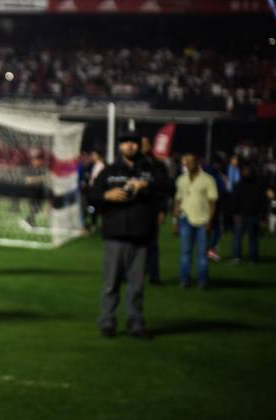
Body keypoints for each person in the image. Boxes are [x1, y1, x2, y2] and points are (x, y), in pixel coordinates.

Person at [88, 131, 166, 340]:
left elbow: (169, 187)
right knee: (111, 284)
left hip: (142, 235)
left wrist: (146, 185)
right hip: (115, 234)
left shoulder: (151, 170)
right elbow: (91, 195)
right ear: (120, 147)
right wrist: (106, 195)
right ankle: (107, 322)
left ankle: (136, 323)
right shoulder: (109, 171)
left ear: (139, 146)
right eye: (125, 143)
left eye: (133, 143)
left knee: (137, 286)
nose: (130, 146)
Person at [175, 153, 219, 289]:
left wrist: (210, 222)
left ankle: (202, 282)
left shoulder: (208, 179)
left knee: (202, 255)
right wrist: (174, 221)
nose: (188, 163)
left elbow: (212, 202)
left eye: (191, 161)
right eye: (186, 161)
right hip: (185, 219)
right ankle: (184, 280)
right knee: (185, 253)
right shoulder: (181, 179)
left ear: (198, 161)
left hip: (203, 222)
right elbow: (178, 201)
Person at [140, 136, 171, 285]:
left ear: (150, 145)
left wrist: (162, 210)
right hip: (135, 210)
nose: (143, 146)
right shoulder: (131, 163)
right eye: (141, 143)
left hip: (152, 209)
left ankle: (154, 275)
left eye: (145, 143)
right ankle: (135, 272)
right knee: (134, 244)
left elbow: (163, 189)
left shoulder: (158, 165)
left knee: (152, 244)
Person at [230, 164, 263, 264]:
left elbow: (260, 201)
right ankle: (237, 257)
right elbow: (235, 200)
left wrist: (260, 214)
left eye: (247, 171)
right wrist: (235, 213)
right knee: (238, 238)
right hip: (241, 216)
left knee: (251, 238)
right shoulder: (240, 185)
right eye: (244, 171)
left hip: (252, 215)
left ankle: (252, 258)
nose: (245, 173)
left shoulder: (256, 186)